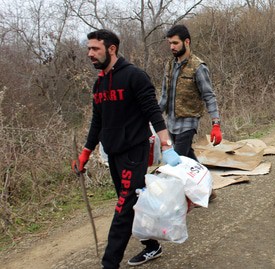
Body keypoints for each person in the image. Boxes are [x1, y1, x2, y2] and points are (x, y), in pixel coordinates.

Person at [72, 29, 181, 268]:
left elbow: (154, 113)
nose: (90, 53)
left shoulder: (134, 76)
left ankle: (109, 264)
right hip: (114, 154)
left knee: (123, 208)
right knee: (135, 204)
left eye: (95, 49)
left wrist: (167, 146)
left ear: (111, 49)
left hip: (134, 152)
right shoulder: (99, 84)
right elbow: (97, 123)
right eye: (88, 48)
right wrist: (85, 153)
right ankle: (152, 245)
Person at [159, 24, 222, 162]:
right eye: (170, 43)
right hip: (171, 122)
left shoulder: (198, 67)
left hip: (188, 122)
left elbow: (209, 96)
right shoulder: (169, 65)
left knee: (177, 160)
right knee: (188, 159)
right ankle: (203, 179)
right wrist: (153, 119)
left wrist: (216, 124)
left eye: (175, 43)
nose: (172, 47)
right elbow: (164, 97)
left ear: (187, 42)